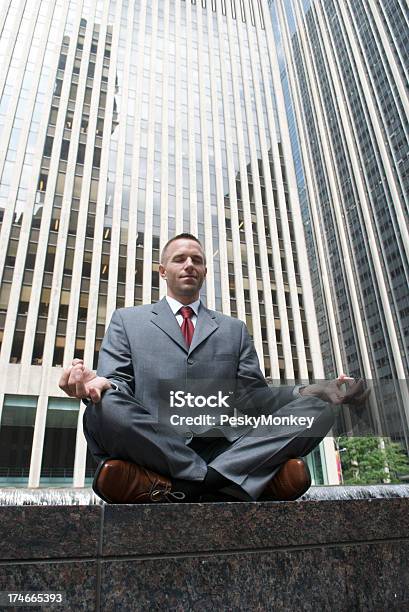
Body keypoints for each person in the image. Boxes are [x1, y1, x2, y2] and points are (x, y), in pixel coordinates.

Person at [59, 233, 369, 503]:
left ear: (205, 271)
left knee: (317, 410)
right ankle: (226, 484)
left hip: (225, 448)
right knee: (103, 409)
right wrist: (100, 385)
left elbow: (254, 400)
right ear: (163, 271)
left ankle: (186, 485)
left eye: (197, 259)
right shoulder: (127, 320)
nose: (189, 264)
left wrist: (316, 390)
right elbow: (118, 382)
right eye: (179, 259)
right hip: (155, 446)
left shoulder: (233, 329)